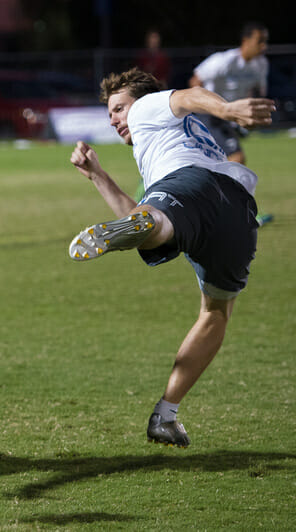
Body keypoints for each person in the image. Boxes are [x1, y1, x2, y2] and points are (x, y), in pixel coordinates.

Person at [68, 68, 274, 448]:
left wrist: (228, 109)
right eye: (109, 113)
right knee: (215, 312)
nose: (114, 119)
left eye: (117, 109)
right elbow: (138, 214)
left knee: (155, 222)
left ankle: (137, 228)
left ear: (139, 101)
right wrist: (97, 175)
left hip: (190, 186)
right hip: (237, 211)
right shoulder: (170, 139)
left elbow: (186, 95)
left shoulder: (147, 107)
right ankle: (165, 416)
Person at [189, 22, 272, 225]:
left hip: (231, 117)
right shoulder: (223, 61)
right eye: (259, 41)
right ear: (245, 41)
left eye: (265, 42)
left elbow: (255, 91)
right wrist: (205, 108)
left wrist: (247, 116)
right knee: (236, 158)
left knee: (209, 161)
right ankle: (236, 213)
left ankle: (224, 210)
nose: (264, 46)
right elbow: (195, 81)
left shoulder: (261, 65)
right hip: (209, 114)